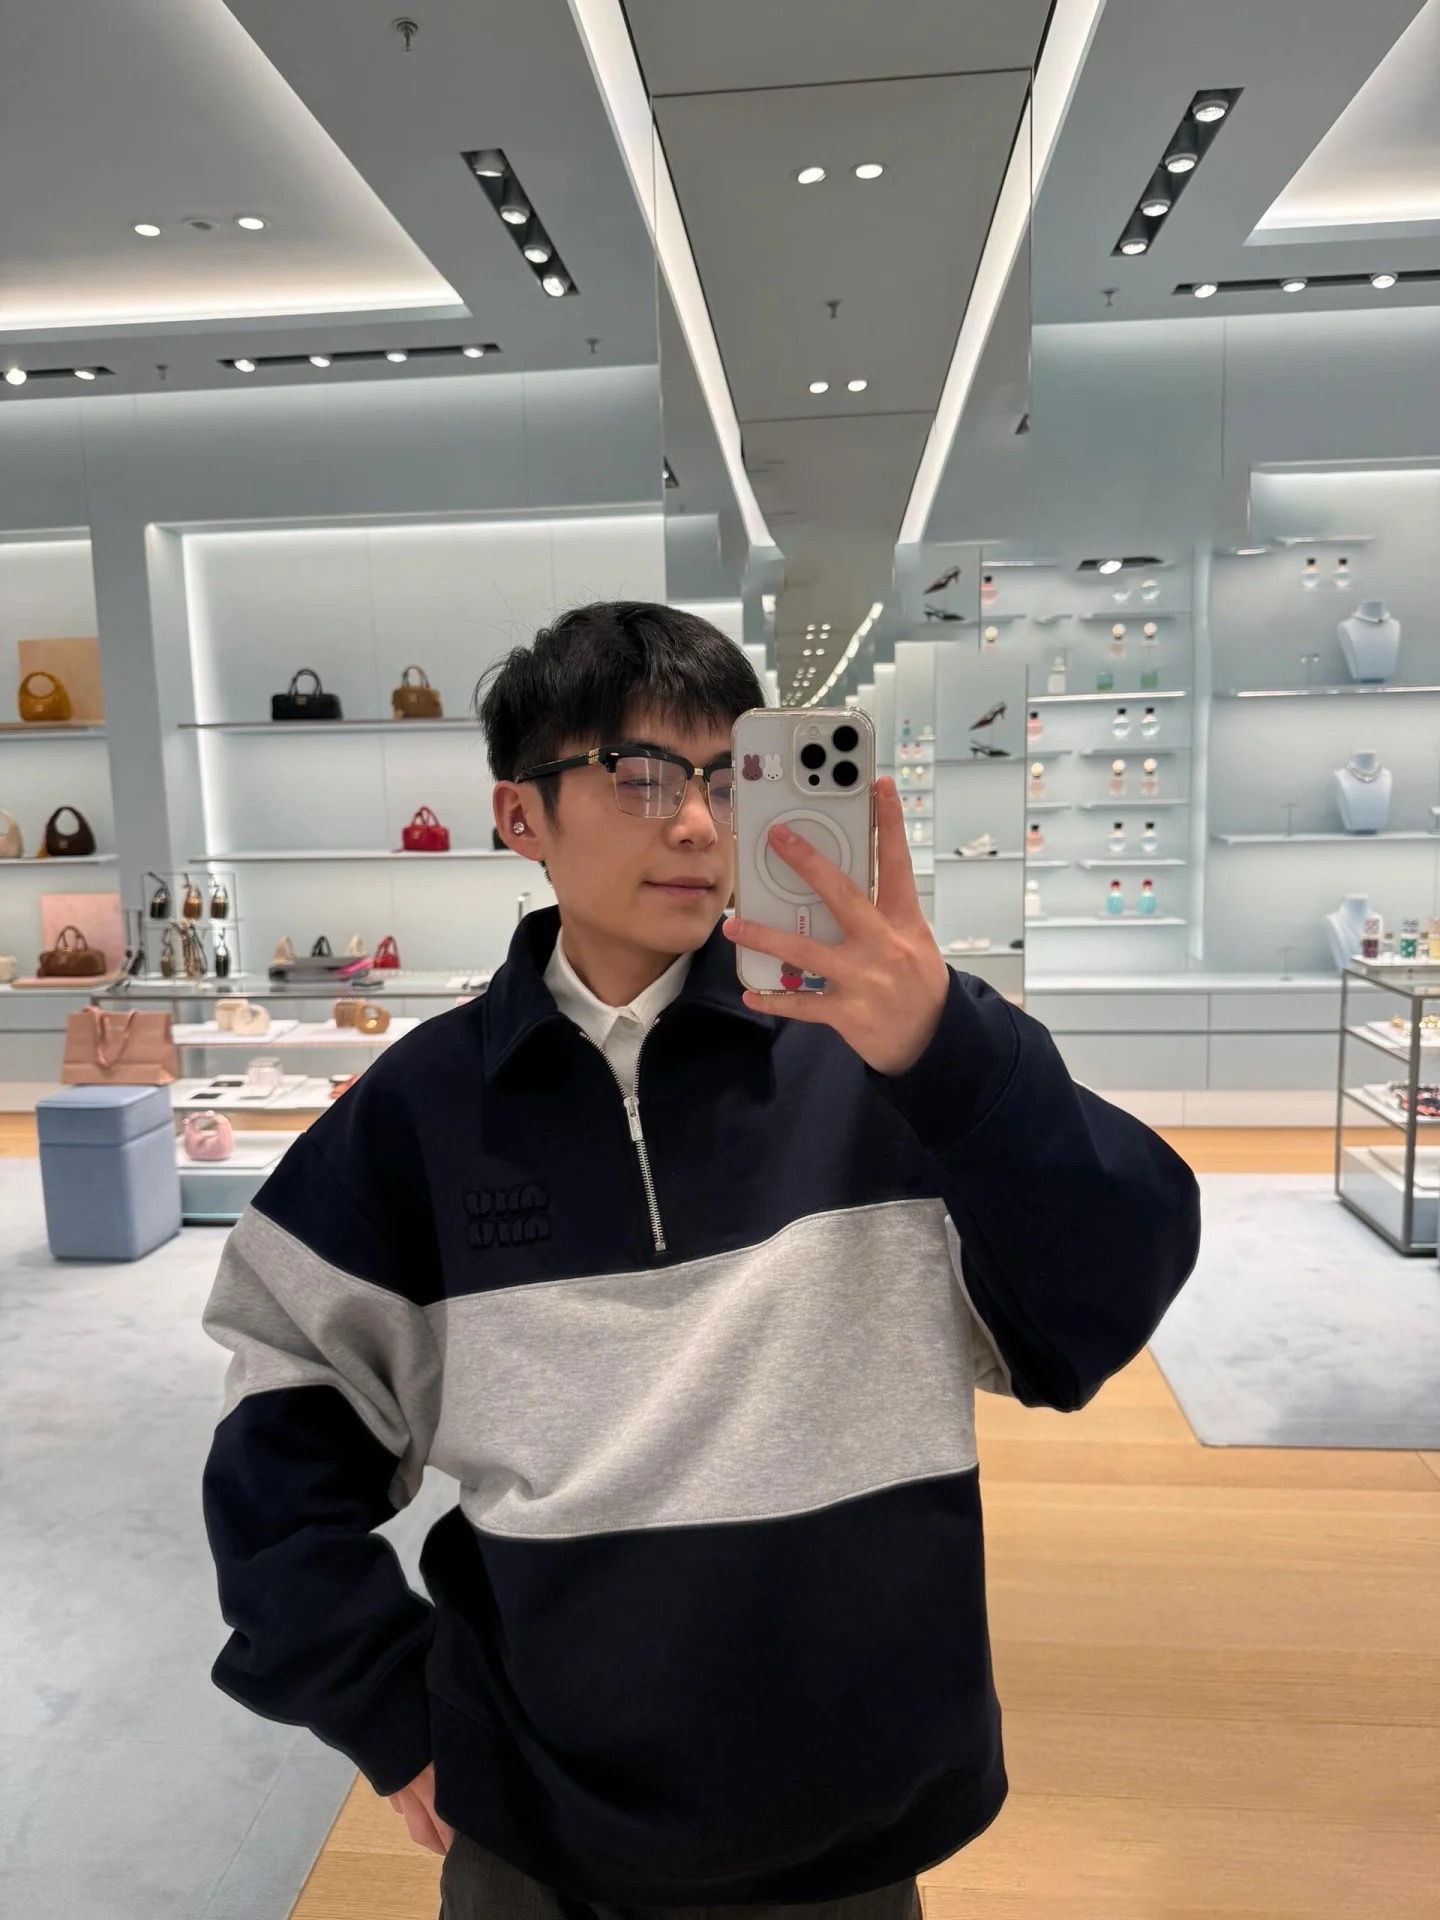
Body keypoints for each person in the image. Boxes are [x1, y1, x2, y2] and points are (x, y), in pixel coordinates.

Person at [200, 602, 1201, 1920]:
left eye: (731, 780)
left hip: (850, 1808)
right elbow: (281, 1428)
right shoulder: (418, 1118)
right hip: (540, 1826)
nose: (694, 824)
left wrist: (952, 1053)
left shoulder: (888, 1063)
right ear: (519, 816)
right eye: (639, 775)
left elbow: (1104, 1294)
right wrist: (385, 1704)